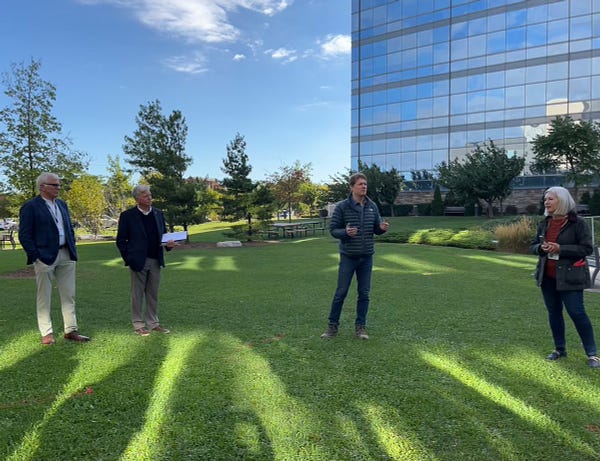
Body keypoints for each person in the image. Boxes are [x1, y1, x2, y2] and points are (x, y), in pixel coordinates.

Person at [18, 173, 90, 345]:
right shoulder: (31, 206)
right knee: (44, 296)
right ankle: (47, 333)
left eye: (59, 185)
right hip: (44, 256)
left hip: (66, 253)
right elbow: (25, 235)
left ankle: (71, 330)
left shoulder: (62, 204)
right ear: (42, 186)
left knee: (69, 295)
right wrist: (35, 256)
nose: (59, 188)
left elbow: (68, 228)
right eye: (54, 185)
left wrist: (72, 247)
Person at [531, 186, 599, 368]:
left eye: (550, 199)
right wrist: (540, 248)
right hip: (547, 277)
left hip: (570, 278)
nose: (546, 202)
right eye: (546, 199)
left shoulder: (578, 223)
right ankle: (559, 349)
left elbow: (586, 249)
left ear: (562, 200)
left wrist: (561, 249)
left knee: (577, 313)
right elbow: (533, 245)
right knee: (554, 313)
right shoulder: (544, 223)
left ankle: (592, 354)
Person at [321, 172, 389, 340]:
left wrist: (381, 228)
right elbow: (333, 230)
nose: (364, 186)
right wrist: (345, 232)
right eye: (360, 184)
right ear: (352, 187)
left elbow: (376, 229)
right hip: (348, 257)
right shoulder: (342, 207)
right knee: (341, 292)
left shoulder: (372, 206)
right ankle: (332, 327)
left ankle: (360, 328)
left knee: (364, 294)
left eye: (365, 184)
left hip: (366, 258)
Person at [116, 185, 176, 336]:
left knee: (152, 293)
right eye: (145, 196)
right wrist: (129, 258)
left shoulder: (158, 213)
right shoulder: (127, 216)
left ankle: (153, 323)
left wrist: (169, 246)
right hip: (138, 260)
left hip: (156, 259)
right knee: (137, 294)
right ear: (137, 199)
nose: (150, 198)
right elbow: (121, 240)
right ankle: (138, 325)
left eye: (150, 195)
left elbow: (163, 235)